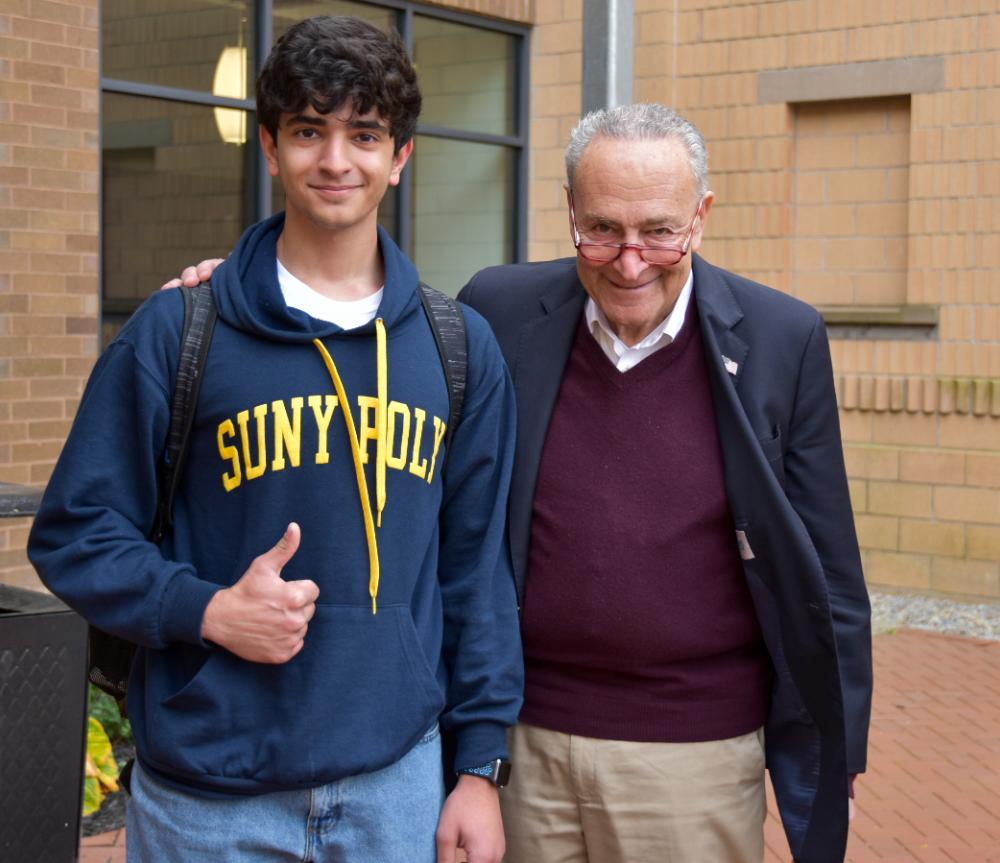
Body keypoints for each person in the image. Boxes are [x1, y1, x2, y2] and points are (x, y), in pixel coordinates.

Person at [169, 103, 872, 862]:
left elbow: (827, 568)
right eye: (601, 229)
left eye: (659, 232)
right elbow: (371, 329)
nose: (630, 261)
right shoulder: (497, 312)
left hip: (693, 756)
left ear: (700, 217)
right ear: (570, 210)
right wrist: (239, 289)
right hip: (520, 750)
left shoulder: (781, 338)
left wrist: (841, 742)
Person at [29, 16, 522, 863]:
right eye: (308, 131)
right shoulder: (182, 331)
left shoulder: (458, 347)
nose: (336, 161)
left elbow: (475, 571)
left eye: (364, 134)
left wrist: (478, 763)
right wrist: (211, 608)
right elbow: (76, 532)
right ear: (269, 146)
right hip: (209, 796)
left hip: (394, 784)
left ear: (401, 156)